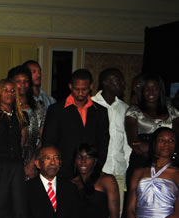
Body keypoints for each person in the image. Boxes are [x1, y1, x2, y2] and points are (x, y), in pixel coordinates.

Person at [41, 69, 110, 178]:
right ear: (70, 86)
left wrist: (97, 168)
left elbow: (103, 143)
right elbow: (49, 142)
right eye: (77, 89)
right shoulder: (56, 110)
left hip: (90, 172)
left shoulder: (100, 111)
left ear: (91, 86)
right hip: (62, 171)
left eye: (84, 89)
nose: (81, 93)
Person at [93, 68, 131, 208]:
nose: (122, 84)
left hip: (119, 171)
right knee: (97, 214)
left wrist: (125, 164)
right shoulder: (91, 105)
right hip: (98, 171)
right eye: (118, 80)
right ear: (106, 82)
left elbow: (126, 142)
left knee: (117, 214)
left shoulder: (125, 108)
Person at [124, 74, 179, 172]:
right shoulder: (133, 111)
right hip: (141, 161)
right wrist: (155, 153)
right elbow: (133, 142)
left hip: (167, 162)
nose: (151, 92)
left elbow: (176, 138)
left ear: (160, 90)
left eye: (155, 88)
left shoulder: (173, 111)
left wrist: (159, 154)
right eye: (147, 88)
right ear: (142, 91)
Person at [8, 65, 40, 179]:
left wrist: (32, 164)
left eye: (26, 81)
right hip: (9, 163)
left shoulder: (39, 108)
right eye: (18, 81)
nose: (22, 85)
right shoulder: (5, 108)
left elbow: (43, 139)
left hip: (34, 162)